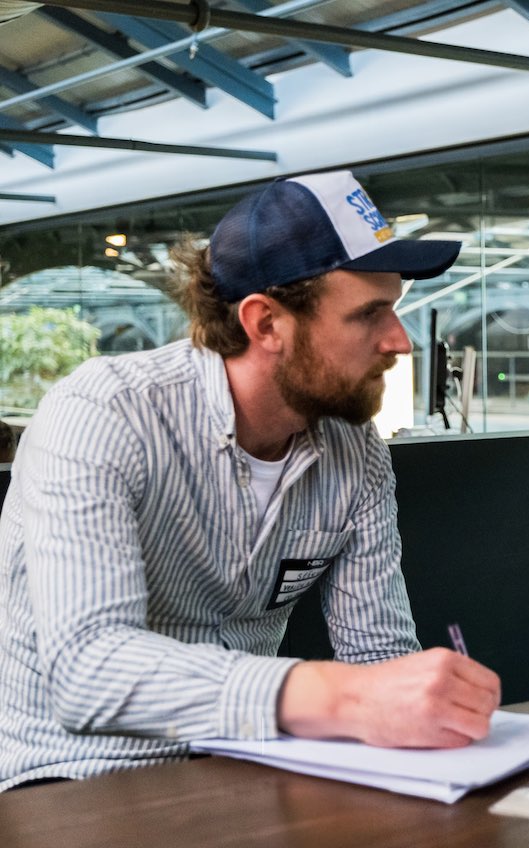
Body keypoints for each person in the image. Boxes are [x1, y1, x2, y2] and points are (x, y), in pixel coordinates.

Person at [0, 170, 501, 791]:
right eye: (370, 314)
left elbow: (379, 658)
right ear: (265, 324)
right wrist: (337, 695)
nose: (398, 341)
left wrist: (430, 708)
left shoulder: (355, 452)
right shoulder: (103, 413)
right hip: (71, 781)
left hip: (243, 768)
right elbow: (88, 671)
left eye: (393, 310)